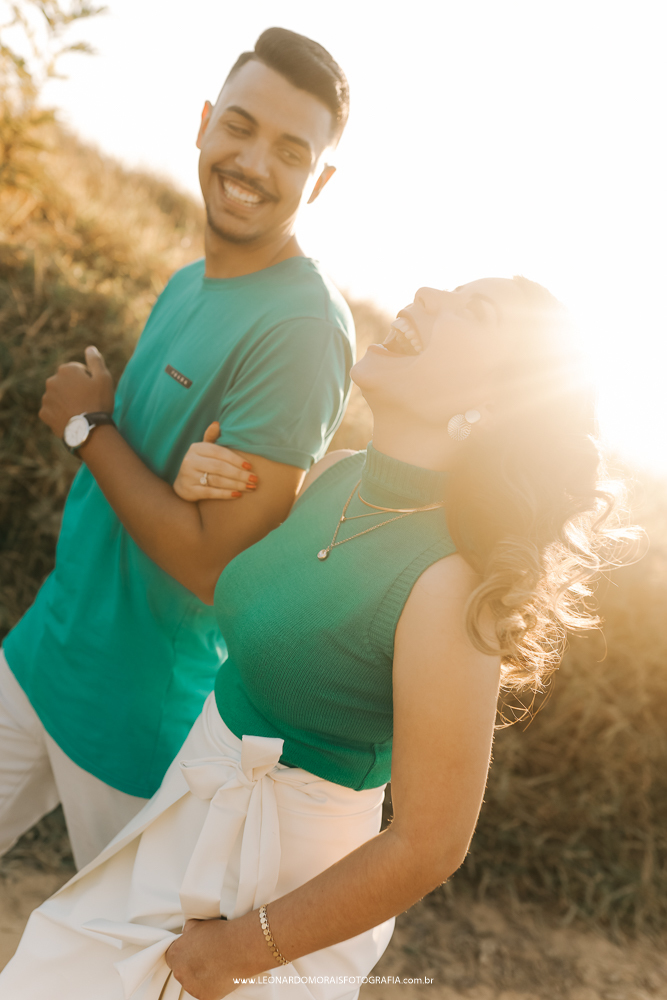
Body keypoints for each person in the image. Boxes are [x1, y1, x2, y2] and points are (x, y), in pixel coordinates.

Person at [0, 276, 631, 1000]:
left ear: (491, 409)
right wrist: (200, 480)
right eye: (448, 287)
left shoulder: (449, 588)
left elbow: (430, 844)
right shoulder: (338, 476)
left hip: (275, 887)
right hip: (180, 813)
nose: (426, 293)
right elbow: (273, 604)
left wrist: (241, 950)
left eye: (473, 310)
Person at [0, 28, 355, 869]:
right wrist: (116, 439)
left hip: (141, 724)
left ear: (321, 179)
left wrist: (90, 428)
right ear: (203, 124)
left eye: (290, 150)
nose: (252, 162)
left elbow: (211, 567)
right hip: (44, 654)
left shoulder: (304, 329)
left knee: (119, 980)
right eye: (239, 126)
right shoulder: (187, 281)